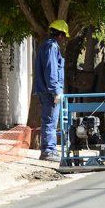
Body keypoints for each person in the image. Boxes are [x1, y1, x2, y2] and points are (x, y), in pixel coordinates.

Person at [33, 20, 69, 161]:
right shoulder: (52, 47)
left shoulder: (45, 46)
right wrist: (56, 91)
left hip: (45, 90)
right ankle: (48, 151)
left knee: (49, 120)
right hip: (50, 92)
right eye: (64, 36)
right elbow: (51, 71)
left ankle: (48, 149)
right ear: (60, 35)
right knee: (50, 121)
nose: (64, 39)